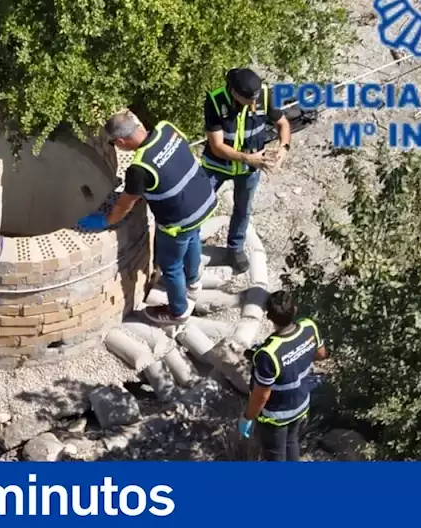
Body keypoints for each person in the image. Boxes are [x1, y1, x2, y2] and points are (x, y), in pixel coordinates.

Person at [76, 111, 217, 325]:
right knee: (193, 238)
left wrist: (106, 221)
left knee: (171, 265)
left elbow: (125, 204)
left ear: (122, 141)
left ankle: (178, 311)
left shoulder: (140, 169)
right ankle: (193, 283)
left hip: (178, 220)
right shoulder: (167, 129)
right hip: (202, 200)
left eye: (115, 144)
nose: (117, 147)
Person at [201, 68, 291, 273]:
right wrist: (247, 157)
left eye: (255, 99)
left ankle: (235, 249)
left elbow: (283, 123)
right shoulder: (215, 102)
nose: (253, 104)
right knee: (198, 204)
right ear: (233, 92)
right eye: (248, 100)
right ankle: (189, 245)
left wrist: (283, 149)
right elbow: (217, 146)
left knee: (243, 208)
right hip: (217, 166)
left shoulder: (265, 95)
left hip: (251, 167)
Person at [238, 290, 327, 461]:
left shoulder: (268, 354)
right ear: (294, 309)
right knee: (291, 442)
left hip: (275, 417)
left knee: (275, 453)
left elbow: (262, 395)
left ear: (269, 317)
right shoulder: (309, 327)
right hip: (301, 404)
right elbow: (321, 354)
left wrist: (247, 416)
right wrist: (299, 357)